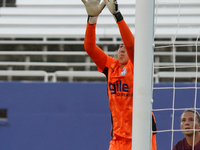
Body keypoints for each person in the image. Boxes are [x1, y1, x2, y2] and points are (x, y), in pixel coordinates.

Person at [81, 0, 157, 149]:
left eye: (124, 45)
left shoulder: (138, 65)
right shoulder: (111, 66)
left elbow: (131, 45)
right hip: (117, 139)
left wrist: (117, 15)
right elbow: (89, 47)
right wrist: (92, 20)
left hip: (143, 135)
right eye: (119, 45)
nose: (122, 47)